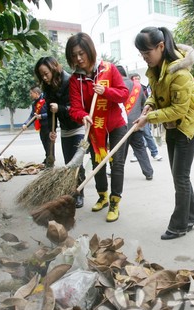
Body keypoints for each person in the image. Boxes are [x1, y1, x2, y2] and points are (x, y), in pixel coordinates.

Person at [133, 26, 194, 240]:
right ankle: (192, 216)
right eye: (142, 54)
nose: (145, 58)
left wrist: (149, 118)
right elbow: (156, 94)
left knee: (180, 177)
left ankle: (180, 224)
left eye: (147, 53)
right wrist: (149, 105)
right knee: (179, 175)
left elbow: (179, 109)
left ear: (161, 46)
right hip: (172, 126)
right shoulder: (156, 69)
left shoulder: (179, 73)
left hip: (186, 127)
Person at [65, 32, 129, 223]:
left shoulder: (108, 70)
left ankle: (115, 202)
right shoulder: (75, 80)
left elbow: (124, 94)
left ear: (90, 51)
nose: (78, 58)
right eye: (74, 55)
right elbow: (74, 108)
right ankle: (102, 196)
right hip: (95, 128)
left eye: (81, 53)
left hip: (116, 124)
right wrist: (82, 116)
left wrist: (106, 91)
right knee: (97, 163)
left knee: (116, 164)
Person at [34, 56, 85, 208]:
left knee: (77, 163)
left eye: (46, 73)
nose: (44, 77)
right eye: (41, 75)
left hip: (78, 127)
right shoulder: (48, 87)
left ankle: (79, 194)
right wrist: (52, 129)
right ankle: (72, 192)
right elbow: (51, 112)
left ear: (54, 68)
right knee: (69, 164)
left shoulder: (70, 81)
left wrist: (60, 108)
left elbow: (76, 107)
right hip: (65, 129)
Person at [117, 65, 154, 180]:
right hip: (136, 125)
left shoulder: (117, 86)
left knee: (121, 151)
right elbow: (144, 104)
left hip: (122, 125)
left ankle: (117, 172)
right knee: (140, 148)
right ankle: (148, 172)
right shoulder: (137, 86)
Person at [130, 73, 163, 162]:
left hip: (143, 116)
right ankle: (135, 155)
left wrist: (146, 114)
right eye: (135, 79)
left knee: (148, 135)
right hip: (132, 117)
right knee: (136, 138)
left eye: (138, 78)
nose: (137, 80)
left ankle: (155, 153)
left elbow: (147, 101)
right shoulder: (129, 89)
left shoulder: (143, 88)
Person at [23, 86, 51, 163]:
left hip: (49, 126)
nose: (30, 95)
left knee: (49, 144)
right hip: (41, 127)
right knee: (44, 143)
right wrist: (26, 124)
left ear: (36, 93)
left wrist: (41, 116)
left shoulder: (45, 100)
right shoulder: (34, 104)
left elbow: (51, 113)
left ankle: (50, 160)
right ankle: (47, 158)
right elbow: (32, 116)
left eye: (31, 93)